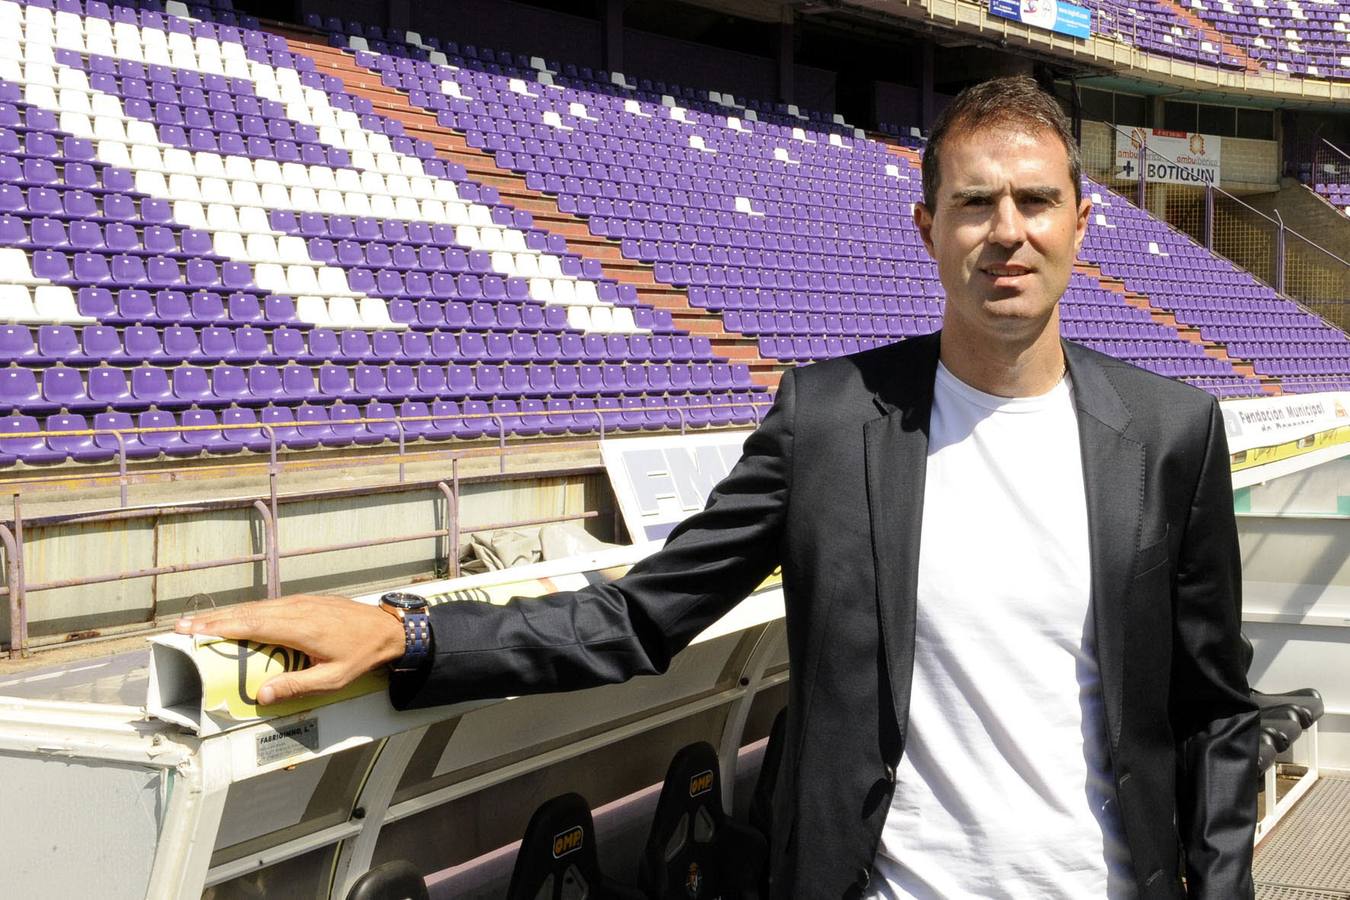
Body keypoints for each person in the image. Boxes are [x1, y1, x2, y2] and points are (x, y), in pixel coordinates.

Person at [176, 75, 1258, 898]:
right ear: (927, 228)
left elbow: (1214, 716)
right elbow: (642, 617)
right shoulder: (830, 421)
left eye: (1035, 202)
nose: (1006, 233)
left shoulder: (1170, 434)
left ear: (1081, 223)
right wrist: (408, 636)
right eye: (976, 204)